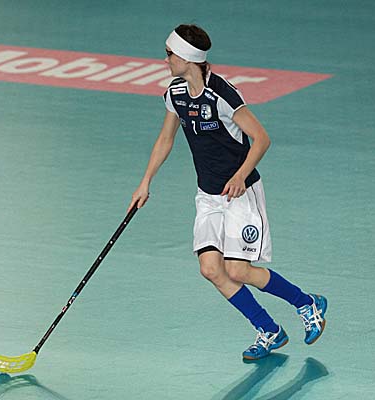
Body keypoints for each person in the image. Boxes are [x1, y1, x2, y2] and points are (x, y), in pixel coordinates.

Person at [128, 24, 327, 360]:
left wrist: (239, 176)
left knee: (237, 270)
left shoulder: (222, 95)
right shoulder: (175, 94)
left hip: (240, 194)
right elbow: (166, 139)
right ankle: (269, 329)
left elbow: (261, 139)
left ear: (187, 59)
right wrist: (145, 181)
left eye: (169, 54)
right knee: (210, 269)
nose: (165, 60)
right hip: (208, 196)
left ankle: (307, 303)